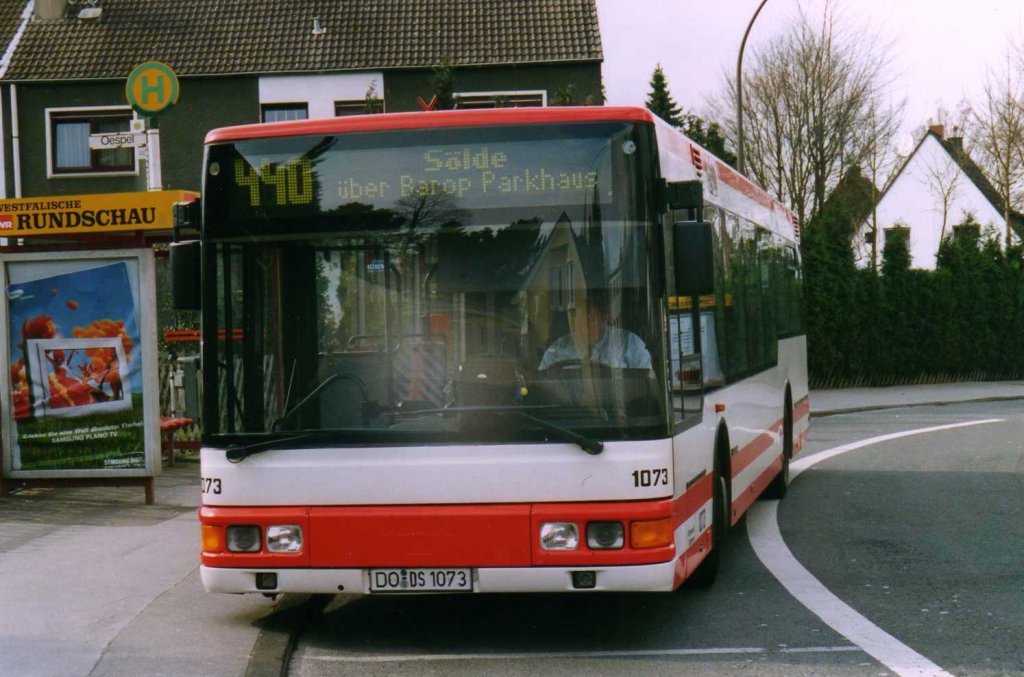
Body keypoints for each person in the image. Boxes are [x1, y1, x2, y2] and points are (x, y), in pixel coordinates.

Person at [539, 290, 651, 370]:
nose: (585, 326)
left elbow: (647, 387)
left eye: (591, 319)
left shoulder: (631, 346)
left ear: (605, 318)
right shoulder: (556, 351)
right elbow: (542, 387)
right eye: (580, 318)